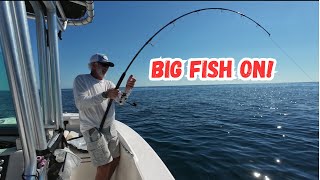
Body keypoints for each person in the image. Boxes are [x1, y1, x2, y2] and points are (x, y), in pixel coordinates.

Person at [73, 53, 136, 180]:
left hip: (109, 127)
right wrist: (105, 95)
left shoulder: (109, 83)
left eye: (108, 65)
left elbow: (121, 101)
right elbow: (81, 103)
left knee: (116, 158)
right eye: (104, 65)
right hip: (92, 129)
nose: (106, 68)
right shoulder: (81, 80)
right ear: (94, 65)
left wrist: (128, 89)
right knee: (104, 165)